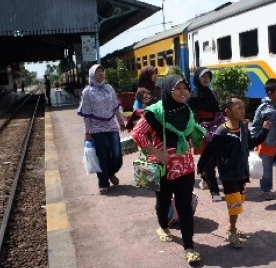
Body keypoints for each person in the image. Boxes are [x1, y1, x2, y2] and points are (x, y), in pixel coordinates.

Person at [131, 75, 206, 264]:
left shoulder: (187, 110)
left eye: (185, 88)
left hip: (186, 167)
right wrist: (156, 153)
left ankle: (189, 247)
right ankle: (163, 227)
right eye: (177, 88)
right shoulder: (155, 112)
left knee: (185, 206)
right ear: (167, 90)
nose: (183, 92)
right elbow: (137, 134)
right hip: (162, 167)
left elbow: (189, 134)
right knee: (162, 202)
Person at [197, 95, 271, 248]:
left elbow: (251, 143)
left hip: (242, 171)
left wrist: (264, 131)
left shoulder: (243, 127)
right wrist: (201, 167)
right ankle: (232, 232)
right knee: (235, 203)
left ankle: (231, 227)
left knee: (239, 201)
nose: (242, 110)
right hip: (228, 174)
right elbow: (209, 151)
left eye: (243, 107)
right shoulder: (221, 132)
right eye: (238, 107)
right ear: (227, 111)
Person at [77, 64, 126, 195]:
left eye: (102, 72)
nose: (101, 74)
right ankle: (103, 183)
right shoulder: (87, 92)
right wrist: (87, 131)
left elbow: (116, 107)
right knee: (102, 156)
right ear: (92, 74)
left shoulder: (109, 88)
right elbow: (86, 114)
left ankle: (110, 173)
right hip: (96, 128)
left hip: (111, 126)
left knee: (117, 155)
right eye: (98, 72)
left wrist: (121, 122)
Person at [187, 67, 223, 202]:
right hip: (202, 131)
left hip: (216, 129)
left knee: (215, 159)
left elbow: (218, 110)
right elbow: (188, 115)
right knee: (208, 160)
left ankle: (203, 174)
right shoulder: (193, 96)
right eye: (203, 77)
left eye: (208, 77)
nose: (206, 79)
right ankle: (215, 191)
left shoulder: (212, 93)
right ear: (197, 78)